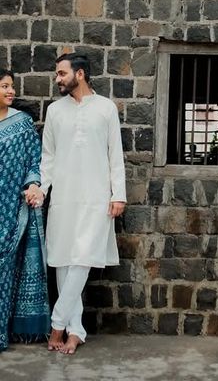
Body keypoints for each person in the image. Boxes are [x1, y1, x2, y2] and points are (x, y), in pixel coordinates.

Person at [39, 53, 126, 355]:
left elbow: (115, 153)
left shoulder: (105, 108)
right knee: (63, 260)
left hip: (96, 197)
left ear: (80, 74)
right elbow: (47, 156)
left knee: (82, 259)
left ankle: (57, 325)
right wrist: (42, 188)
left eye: (61, 73)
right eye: (56, 74)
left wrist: (119, 194)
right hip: (62, 196)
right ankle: (75, 331)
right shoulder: (54, 111)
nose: (57, 79)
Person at [0, 69, 50, 352]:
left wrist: (33, 184)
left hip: (10, 209)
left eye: (12, 86)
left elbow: (34, 160)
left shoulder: (22, 124)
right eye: (4, 86)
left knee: (4, 269)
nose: (11, 91)